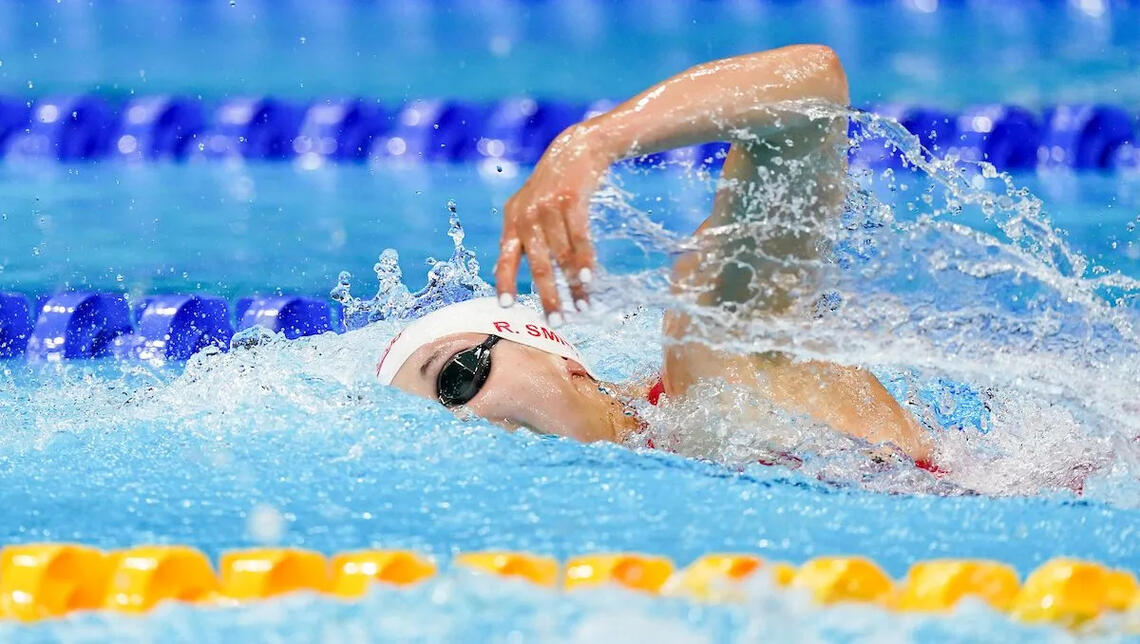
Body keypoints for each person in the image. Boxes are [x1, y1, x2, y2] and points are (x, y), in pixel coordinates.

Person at [377, 45, 935, 467]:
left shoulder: (714, 354)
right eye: (433, 425)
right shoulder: (648, 462)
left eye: (457, 378)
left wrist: (593, 142)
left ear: (561, 359)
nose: (464, 425)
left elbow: (811, 90)